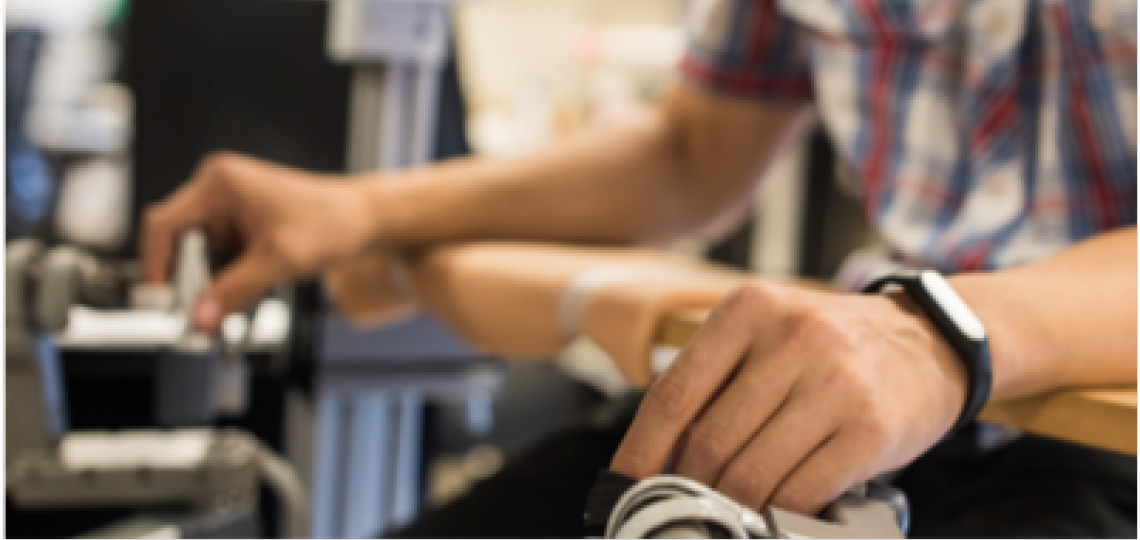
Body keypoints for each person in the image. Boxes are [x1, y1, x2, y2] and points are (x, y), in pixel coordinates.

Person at [143, 1, 1137, 538]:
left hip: (1094, 416)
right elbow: (693, 155)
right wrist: (360, 210)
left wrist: (939, 332)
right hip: (880, 394)